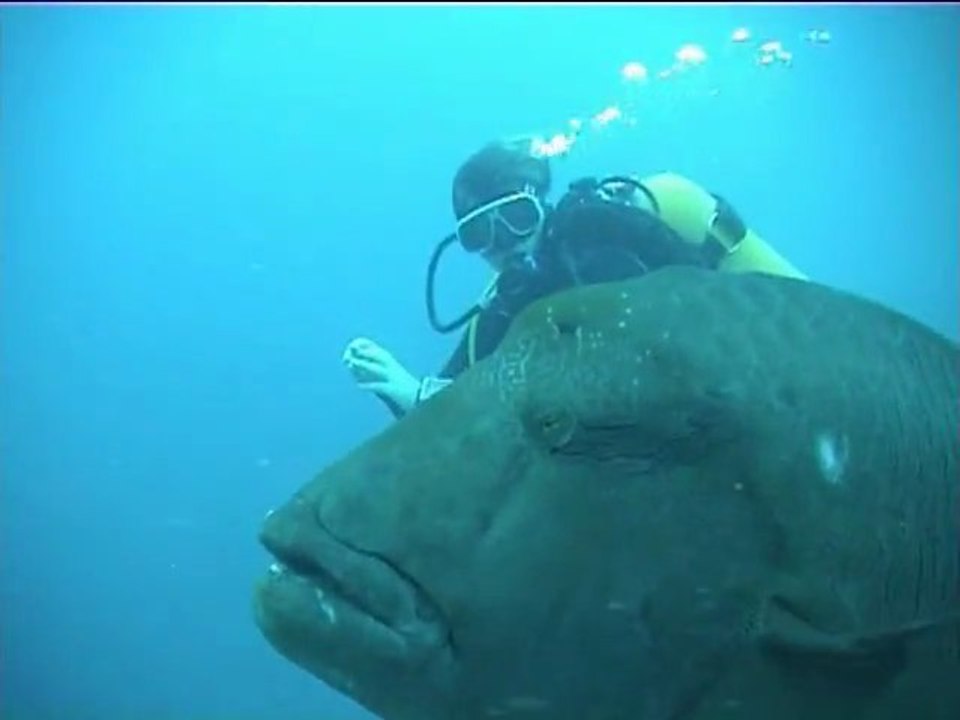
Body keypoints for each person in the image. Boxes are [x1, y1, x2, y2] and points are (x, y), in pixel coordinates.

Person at [343, 136, 807, 420]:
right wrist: (411, 393)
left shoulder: (606, 230)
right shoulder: (506, 304)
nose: (502, 243)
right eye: (479, 234)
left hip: (763, 363)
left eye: (515, 218)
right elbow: (458, 405)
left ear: (539, 205)